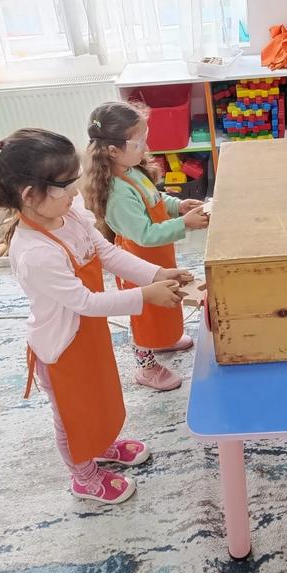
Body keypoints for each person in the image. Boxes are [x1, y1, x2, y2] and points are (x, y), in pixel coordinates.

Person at [0, 129, 186, 503]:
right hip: (62, 348)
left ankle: (101, 444)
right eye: (66, 185)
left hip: (89, 334)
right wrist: (146, 296)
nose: (76, 192)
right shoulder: (35, 253)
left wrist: (156, 274)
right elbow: (86, 302)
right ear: (30, 195)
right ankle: (83, 475)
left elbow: (107, 253)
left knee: (102, 397)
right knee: (74, 418)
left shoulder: (70, 213)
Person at [83, 101, 209, 391]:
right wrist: (185, 224)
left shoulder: (131, 169)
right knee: (145, 315)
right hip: (138, 262)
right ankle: (146, 366)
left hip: (157, 256)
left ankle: (163, 340)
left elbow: (155, 198)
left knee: (166, 300)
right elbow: (145, 235)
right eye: (139, 142)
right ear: (113, 150)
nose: (146, 146)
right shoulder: (117, 193)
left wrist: (178, 206)